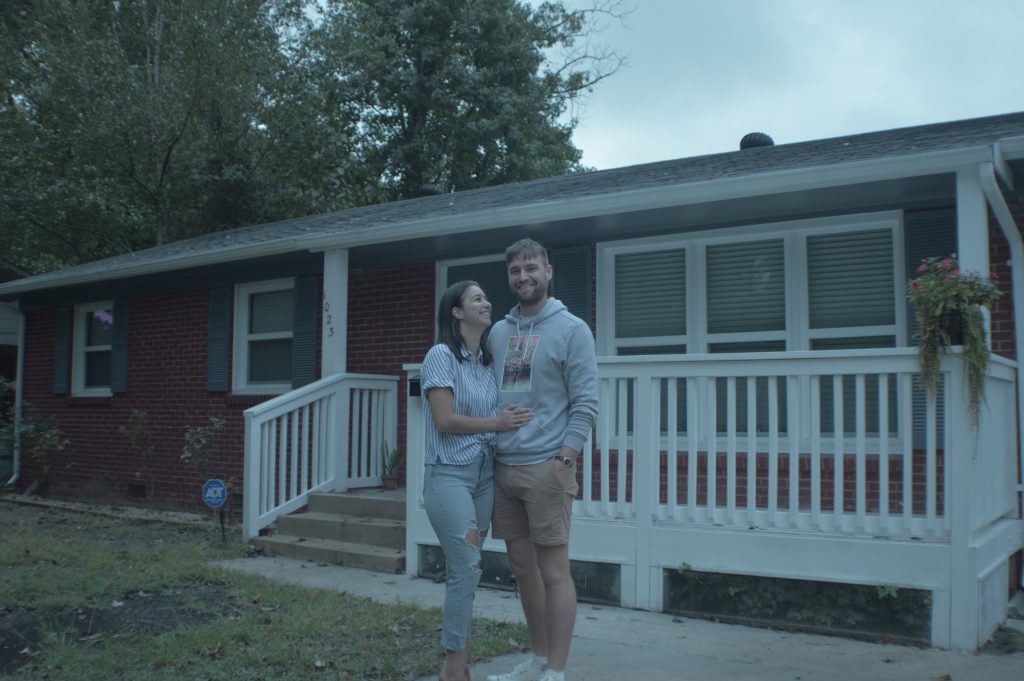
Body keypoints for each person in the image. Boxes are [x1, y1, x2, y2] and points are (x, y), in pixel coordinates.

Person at [485, 239, 598, 681]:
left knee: (554, 571)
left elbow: (586, 403)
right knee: (522, 568)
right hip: (504, 468)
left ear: (548, 271)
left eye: (531, 268)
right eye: (515, 271)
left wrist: (565, 461)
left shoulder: (572, 329)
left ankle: (556, 671)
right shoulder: (499, 332)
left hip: (547, 466)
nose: (523, 277)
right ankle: (535, 659)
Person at [422, 280, 534, 681]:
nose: (487, 303)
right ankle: (454, 665)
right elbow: (444, 420)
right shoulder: (441, 356)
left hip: (485, 476)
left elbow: (520, 392)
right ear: (457, 312)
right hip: (448, 475)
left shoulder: (488, 360)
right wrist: (496, 423)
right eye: (477, 299)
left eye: (486, 298)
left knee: (467, 568)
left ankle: (458, 661)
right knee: (467, 565)